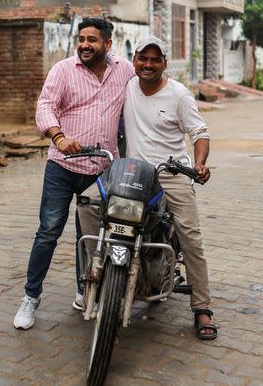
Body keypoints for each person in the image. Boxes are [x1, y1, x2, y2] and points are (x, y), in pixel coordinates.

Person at [79, 35, 217, 340]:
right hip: (131, 171)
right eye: (143, 58)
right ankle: (99, 272)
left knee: (190, 236)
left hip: (170, 173)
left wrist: (199, 163)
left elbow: (200, 132)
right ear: (135, 60)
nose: (148, 65)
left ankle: (202, 307)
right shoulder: (127, 85)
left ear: (165, 64)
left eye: (156, 60)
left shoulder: (179, 95)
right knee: (87, 205)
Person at [13, 17, 134, 330]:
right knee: (49, 231)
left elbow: (143, 101)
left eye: (92, 40)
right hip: (62, 166)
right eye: (81, 39)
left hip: (101, 170)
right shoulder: (63, 70)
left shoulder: (125, 71)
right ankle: (31, 297)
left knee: (91, 236)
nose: (84, 45)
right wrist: (59, 137)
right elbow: (46, 106)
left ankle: (85, 290)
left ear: (108, 44)